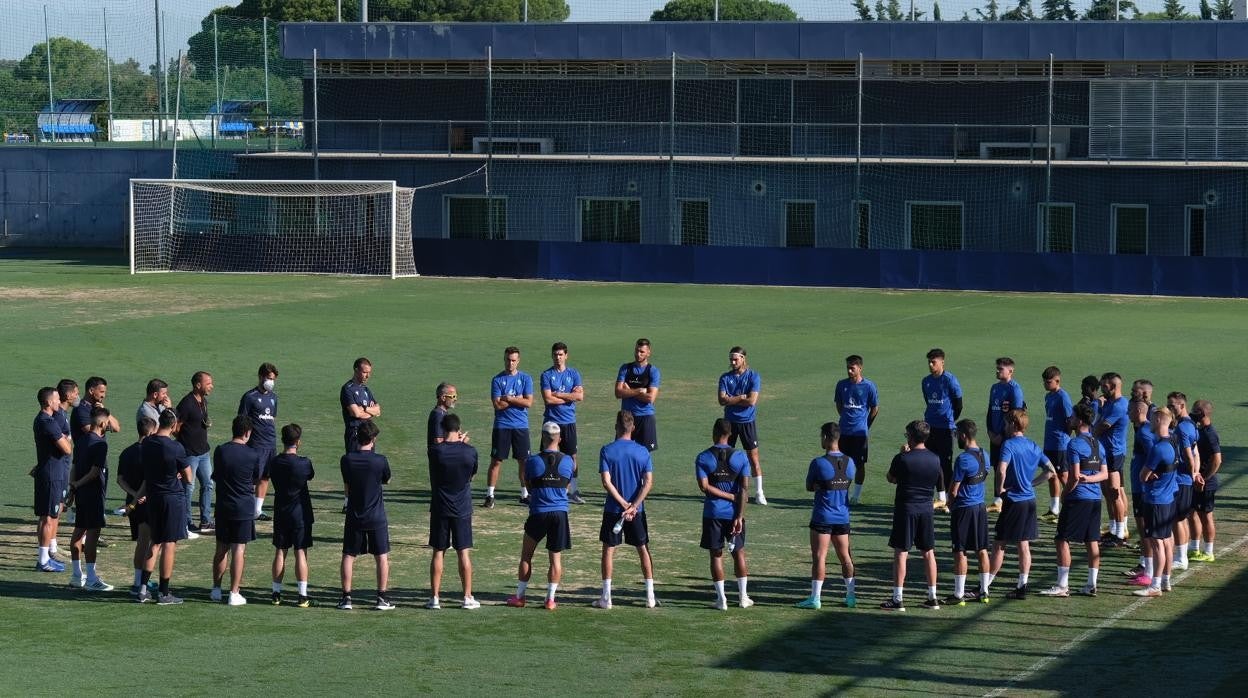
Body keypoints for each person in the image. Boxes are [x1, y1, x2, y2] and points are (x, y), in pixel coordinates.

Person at [1040, 403, 1107, 598]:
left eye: (1072, 417)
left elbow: (1075, 476)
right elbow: (1104, 474)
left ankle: (1062, 585)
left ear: (1079, 421)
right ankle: (1091, 584)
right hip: (1095, 499)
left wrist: (1066, 494)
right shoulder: (1097, 444)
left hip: (1078, 498)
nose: (1069, 420)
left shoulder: (1074, 444)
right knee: (1091, 540)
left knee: (1061, 539)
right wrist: (1090, 478)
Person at [506, 422, 576, 610]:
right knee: (555, 559)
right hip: (560, 514)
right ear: (559, 439)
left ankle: (520, 596)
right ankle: (550, 599)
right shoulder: (569, 461)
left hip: (538, 512)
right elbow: (567, 486)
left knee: (526, 556)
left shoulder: (533, 462)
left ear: (542, 438)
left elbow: (528, 485)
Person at [987, 410, 1054, 601]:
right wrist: (1031, 483)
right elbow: (1050, 471)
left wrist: (999, 489)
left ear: (1013, 425)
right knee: (1023, 544)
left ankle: (986, 584)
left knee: (999, 543)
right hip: (1029, 500)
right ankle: (1022, 585)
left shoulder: (1008, 445)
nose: (1005, 427)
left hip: (1014, 500)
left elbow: (1001, 469)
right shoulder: (1032, 445)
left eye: (1007, 423)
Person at [593, 411, 657, 610]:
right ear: (633, 428)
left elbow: (606, 482)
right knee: (643, 550)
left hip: (614, 509)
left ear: (616, 427)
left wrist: (623, 504)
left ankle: (606, 598)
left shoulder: (607, 450)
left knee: (609, 550)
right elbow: (648, 483)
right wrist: (633, 506)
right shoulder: (643, 452)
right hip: (637, 511)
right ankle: (650, 597)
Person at [881, 420, 942, 611]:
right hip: (926, 509)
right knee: (929, 553)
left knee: (901, 552)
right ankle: (933, 597)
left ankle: (897, 598)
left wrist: (902, 454)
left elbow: (891, 478)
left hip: (906, 508)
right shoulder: (935, 459)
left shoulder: (902, 459)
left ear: (911, 437)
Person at [796, 422, 856, 610]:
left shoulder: (818, 463)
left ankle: (815, 598)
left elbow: (809, 486)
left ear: (825, 438)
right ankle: (851, 596)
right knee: (845, 557)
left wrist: (820, 486)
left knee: (820, 557)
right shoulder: (850, 462)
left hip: (822, 516)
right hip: (843, 517)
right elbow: (847, 482)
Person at [695, 418, 752, 611]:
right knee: (739, 553)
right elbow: (744, 489)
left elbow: (704, 487)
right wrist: (738, 515)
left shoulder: (703, 457)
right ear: (729, 435)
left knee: (716, 555)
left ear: (714, 432)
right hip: (735, 513)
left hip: (713, 513)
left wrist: (724, 495)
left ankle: (722, 600)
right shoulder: (741, 457)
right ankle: (743, 597)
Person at [427, 413, 480, 610]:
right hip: (462, 507)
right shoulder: (470, 452)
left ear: (443, 428)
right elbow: (471, 476)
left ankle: (434, 598)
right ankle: (467, 597)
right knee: (463, 553)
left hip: (440, 506)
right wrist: (463, 444)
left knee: (438, 552)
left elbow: (439, 450)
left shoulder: (435, 451)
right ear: (459, 429)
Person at [339, 421, 394, 611]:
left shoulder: (347, 459)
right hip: (376, 516)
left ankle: (346, 598)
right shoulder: (380, 460)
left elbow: (347, 483)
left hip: (354, 514)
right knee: (381, 557)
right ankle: (381, 598)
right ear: (373, 439)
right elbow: (387, 479)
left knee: (348, 555)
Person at [140, 409, 192, 604]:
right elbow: (189, 477)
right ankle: (164, 592)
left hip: (153, 496)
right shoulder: (176, 447)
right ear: (174, 424)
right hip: (172, 498)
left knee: (154, 541)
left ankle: (143, 589)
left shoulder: (147, 443)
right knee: (170, 543)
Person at [210, 416, 263, 606]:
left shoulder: (221, 451)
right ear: (247, 433)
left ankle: (216, 589)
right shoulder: (252, 455)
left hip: (224, 506)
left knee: (221, 549)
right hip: (243, 508)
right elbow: (256, 479)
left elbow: (216, 476)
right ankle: (234, 592)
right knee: (238, 550)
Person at [67, 407, 114, 592]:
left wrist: (73, 487)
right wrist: (77, 485)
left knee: (78, 532)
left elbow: (74, 467)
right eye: (107, 422)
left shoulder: (81, 441)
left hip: (81, 495)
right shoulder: (101, 444)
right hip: (93, 494)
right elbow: (95, 472)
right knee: (92, 536)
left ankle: (76, 575)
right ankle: (92, 578)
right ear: (102, 423)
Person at [1134, 407, 1179, 598]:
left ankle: (1155, 585)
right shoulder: (1173, 441)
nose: (1150, 422)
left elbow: (1142, 476)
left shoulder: (1158, 448)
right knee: (1167, 540)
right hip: (1168, 498)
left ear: (1160, 419)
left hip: (1155, 499)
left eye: (1153, 418)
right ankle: (1165, 580)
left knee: (1157, 543)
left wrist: (1149, 475)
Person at [270, 423, 315, 608]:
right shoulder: (304, 463)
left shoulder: (274, 462)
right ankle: (302, 595)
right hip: (300, 513)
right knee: (300, 552)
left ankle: (276, 593)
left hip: (281, 512)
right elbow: (310, 475)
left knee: (280, 551)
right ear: (298, 441)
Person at [947, 419, 991, 606]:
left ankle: (959, 594)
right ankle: (984, 591)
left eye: (957, 434)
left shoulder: (963, 459)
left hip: (964, 509)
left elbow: (954, 489)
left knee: (960, 550)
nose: (956, 437)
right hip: (980, 507)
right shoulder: (985, 455)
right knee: (981, 550)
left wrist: (949, 503)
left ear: (964, 435)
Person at [485, 346, 533, 509]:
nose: (510, 363)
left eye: (513, 360)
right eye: (507, 359)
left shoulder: (526, 379)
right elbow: (497, 405)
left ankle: (524, 494)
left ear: (518, 361)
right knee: (496, 461)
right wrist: (517, 399)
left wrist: (509, 398)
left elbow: (529, 402)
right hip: (502, 426)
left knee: (524, 462)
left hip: (521, 426)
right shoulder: (497, 380)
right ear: (504, 359)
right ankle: (490, 495)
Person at [719, 346, 766, 505]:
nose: (732, 362)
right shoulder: (725, 378)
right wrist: (740, 397)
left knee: (753, 458)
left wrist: (731, 399)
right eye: (731, 359)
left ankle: (759, 492)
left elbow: (752, 401)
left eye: (735, 359)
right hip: (730, 423)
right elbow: (721, 400)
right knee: (725, 457)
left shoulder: (754, 376)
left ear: (743, 359)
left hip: (747, 422)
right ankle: (725, 490)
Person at [33, 386, 73, 573]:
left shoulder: (42, 420)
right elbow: (67, 448)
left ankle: (44, 557)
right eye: (56, 399)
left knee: (46, 516)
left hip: (49, 473)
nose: (59, 402)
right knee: (48, 517)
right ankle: (43, 561)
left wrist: (64, 438)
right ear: (49, 402)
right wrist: (65, 439)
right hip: (51, 475)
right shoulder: (47, 422)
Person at [117, 417, 157, 598]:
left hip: (133, 503)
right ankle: (140, 583)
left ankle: (139, 579)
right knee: (148, 543)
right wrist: (139, 495)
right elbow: (149, 480)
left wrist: (132, 495)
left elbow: (120, 479)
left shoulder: (126, 452)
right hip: (147, 502)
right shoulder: (151, 452)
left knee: (141, 542)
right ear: (150, 432)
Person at [541, 342, 586, 504]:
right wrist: (569, 396)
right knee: (548, 456)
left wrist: (559, 394)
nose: (558, 358)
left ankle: (573, 491)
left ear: (566, 355)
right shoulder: (546, 375)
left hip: (568, 422)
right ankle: (547, 490)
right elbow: (547, 399)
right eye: (555, 355)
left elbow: (580, 397)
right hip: (551, 423)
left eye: (560, 355)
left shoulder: (574, 374)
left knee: (572, 456)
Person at [836, 355, 879, 508]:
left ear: (860, 368)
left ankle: (856, 496)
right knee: (840, 463)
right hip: (844, 432)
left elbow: (875, 408)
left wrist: (866, 424)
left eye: (852, 368)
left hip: (860, 434)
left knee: (860, 465)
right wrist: (845, 419)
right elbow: (840, 405)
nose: (849, 371)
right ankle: (842, 494)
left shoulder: (869, 386)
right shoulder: (841, 385)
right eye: (847, 367)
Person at [922, 348, 963, 511]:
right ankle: (940, 498)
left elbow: (958, 404)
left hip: (946, 428)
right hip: (930, 427)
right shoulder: (926, 381)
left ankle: (951, 500)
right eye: (929, 362)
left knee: (945, 464)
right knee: (931, 463)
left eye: (934, 362)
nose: (931, 365)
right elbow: (928, 401)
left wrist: (951, 420)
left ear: (942, 362)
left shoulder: (950, 380)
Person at [1166, 392, 1201, 573]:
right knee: (1181, 518)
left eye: (1172, 406)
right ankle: (1183, 554)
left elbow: (1189, 454)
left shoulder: (1181, 428)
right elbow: (1196, 453)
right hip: (1186, 478)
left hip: (1181, 479)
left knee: (1177, 519)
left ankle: (1180, 558)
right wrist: (1195, 473)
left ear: (1181, 405)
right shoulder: (1190, 425)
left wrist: (1192, 473)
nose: (1169, 408)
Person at [239, 363, 279, 521]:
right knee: (251, 477)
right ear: (261, 377)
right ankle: (246, 507)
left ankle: (257, 510)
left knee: (265, 477)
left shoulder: (274, 397)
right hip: (255, 443)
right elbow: (242, 420)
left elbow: (272, 419)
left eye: (273, 379)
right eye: (269, 378)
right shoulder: (249, 397)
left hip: (270, 443)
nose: (271, 382)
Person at [175, 371, 214, 535]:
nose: (211, 386)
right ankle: (186, 522)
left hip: (203, 452)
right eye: (208, 383)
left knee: (208, 484)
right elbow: (175, 427)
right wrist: (184, 442)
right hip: (190, 453)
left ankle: (205, 520)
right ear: (198, 385)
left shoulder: (202, 400)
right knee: (188, 488)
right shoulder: (186, 403)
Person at [1094, 373, 1130, 547]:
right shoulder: (1109, 403)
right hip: (1105, 452)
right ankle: (1114, 529)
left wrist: (1087, 432)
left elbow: (1101, 427)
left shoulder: (1119, 406)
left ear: (1113, 386)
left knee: (1114, 493)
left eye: (1104, 387)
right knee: (1107, 492)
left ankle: (1120, 533)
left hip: (1113, 454)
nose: (1102, 390)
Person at [986, 358, 1025, 514]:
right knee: (997, 466)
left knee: (1007, 468)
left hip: (1007, 438)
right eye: (997, 368)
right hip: (994, 436)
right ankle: (998, 500)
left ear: (1010, 371)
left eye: (1000, 369)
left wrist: (1002, 435)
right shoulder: (994, 388)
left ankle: (1008, 499)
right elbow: (990, 411)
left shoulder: (1014, 390)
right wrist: (990, 432)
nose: (997, 371)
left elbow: (1016, 416)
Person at [1040, 366, 1073, 523]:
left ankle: (1072, 507)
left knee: (1064, 477)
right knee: (1050, 474)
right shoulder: (1048, 396)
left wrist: (1064, 436)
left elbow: (1069, 420)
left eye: (1048, 382)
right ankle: (1054, 510)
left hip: (1060, 444)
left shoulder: (1063, 397)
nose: (1045, 385)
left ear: (1057, 381)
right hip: (1049, 442)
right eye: (1044, 382)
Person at [616, 338, 661, 452]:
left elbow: (650, 398)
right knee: (622, 450)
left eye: (642, 352)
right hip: (626, 417)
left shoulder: (653, 371)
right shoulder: (625, 368)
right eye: (636, 350)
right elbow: (618, 393)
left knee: (644, 454)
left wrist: (629, 391)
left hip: (645, 417)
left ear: (648, 353)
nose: (638, 354)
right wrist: (639, 391)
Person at [1190, 399, 1221, 563]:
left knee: (1206, 516)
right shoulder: (1200, 430)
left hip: (1206, 483)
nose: (1191, 412)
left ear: (1201, 413)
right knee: (1193, 513)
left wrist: (1205, 478)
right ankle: (1194, 548)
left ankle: (1208, 551)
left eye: (1194, 410)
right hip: (1198, 481)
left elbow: (1217, 460)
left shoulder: (1210, 434)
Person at [427, 383, 461, 448]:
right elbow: (438, 440)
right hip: (442, 457)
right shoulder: (439, 415)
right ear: (443, 397)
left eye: (456, 396)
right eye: (453, 396)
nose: (455, 399)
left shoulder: (443, 413)